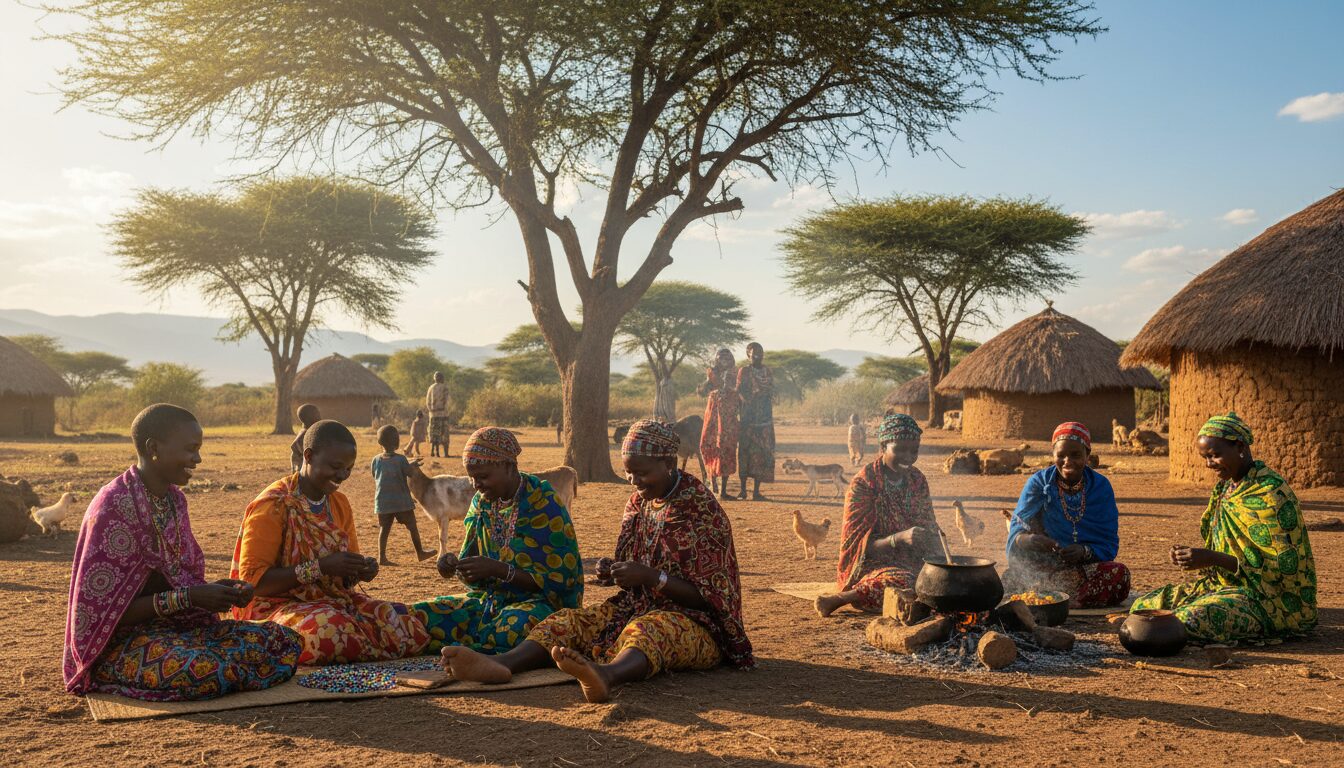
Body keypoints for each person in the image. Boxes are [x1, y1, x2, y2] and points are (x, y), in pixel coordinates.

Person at [437, 419, 753, 703]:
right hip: (634, 608)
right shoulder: (639, 503)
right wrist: (614, 571)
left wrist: (652, 578)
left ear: (669, 463)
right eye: (629, 473)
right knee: (567, 621)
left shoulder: (701, 512)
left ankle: (607, 674)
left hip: (697, 624)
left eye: (642, 473)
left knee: (650, 629)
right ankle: (502, 664)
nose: (634, 482)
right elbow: (633, 565)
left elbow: (712, 599)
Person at [63, 404, 301, 701]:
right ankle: (226, 674)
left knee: (284, 641)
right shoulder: (113, 507)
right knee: (207, 669)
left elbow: (181, 578)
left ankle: (229, 673)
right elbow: (101, 614)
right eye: (190, 449)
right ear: (154, 448)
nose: (197, 459)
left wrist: (216, 592)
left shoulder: (175, 500)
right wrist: (189, 597)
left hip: (179, 633)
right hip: (123, 643)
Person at [230, 420, 430, 664]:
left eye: (348, 469)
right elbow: (254, 583)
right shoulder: (274, 505)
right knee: (328, 631)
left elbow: (344, 574)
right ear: (309, 456)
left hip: (330, 602)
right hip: (273, 607)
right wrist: (321, 567)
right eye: (336, 467)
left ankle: (359, 643)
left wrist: (360, 570)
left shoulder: (339, 504)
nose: (342, 476)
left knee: (398, 618)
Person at [1131, 413, 1316, 644]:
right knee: (1143, 606)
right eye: (1205, 458)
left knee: (1188, 619)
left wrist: (1212, 558)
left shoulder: (1271, 493)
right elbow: (1224, 544)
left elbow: (1278, 570)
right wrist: (1191, 556)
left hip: (1268, 600)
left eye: (1215, 455)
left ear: (1239, 446)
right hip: (1222, 587)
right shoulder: (1225, 489)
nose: (1209, 464)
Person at [411, 427, 584, 654]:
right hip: (491, 601)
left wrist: (501, 570)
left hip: (538, 605)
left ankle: (483, 654)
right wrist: (454, 566)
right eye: (472, 478)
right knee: (423, 613)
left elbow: (561, 583)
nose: (476, 485)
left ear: (509, 467)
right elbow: (471, 564)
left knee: (518, 627)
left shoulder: (543, 503)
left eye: (483, 477)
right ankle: (476, 647)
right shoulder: (481, 504)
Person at [816, 413, 941, 617]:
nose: (908, 457)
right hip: (873, 565)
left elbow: (928, 523)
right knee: (904, 582)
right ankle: (843, 598)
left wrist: (936, 545)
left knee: (944, 577)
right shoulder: (864, 484)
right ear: (882, 447)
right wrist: (898, 538)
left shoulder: (917, 479)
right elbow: (857, 548)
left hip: (912, 559)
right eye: (900, 450)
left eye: (914, 451)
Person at [1002, 422, 1131, 608]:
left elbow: (1109, 543)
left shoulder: (1101, 487)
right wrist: (1028, 540)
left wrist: (1084, 551)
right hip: (1043, 566)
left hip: (1082, 570)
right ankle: (1058, 599)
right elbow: (1017, 530)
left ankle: (1055, 601)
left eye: (1076, 455)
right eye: (1060, 455)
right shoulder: (1039, 482)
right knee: (1010, 579)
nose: (1067, 461)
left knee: (1119, 575)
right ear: (1053, 455)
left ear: (1088, 455)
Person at [371, 425, 436, 566]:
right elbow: (410, 473)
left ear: (379, 442)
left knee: (384, 529)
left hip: (382, 502)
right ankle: (420, 552)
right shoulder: (401, 459)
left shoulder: (375, 460)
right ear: (397, 442)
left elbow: (375, 475)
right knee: (412, 526)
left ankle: (381, 557)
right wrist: (412, 465)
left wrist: (407, 464)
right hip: (401, 501)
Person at [697, 348, 740, 500]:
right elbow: (701, 392)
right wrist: (709, 382)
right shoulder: (712, 374)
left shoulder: (735, 374)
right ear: (716, 360)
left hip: (728, 417)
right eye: (721, 358)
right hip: (713, 416)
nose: (724, 361)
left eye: (727, 358)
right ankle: (712, 485)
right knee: (709, 445)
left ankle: (723, 491)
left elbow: (738, 394)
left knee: (726, 449)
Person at [736, 342, 776, 500]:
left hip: (765, 418)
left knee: (762, 452)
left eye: (760, 353)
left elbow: (772, 390)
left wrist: (765, 394)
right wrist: (748, 401)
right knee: (745, 452)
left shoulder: (767, 371)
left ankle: (756, 491)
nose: (758, 356)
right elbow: (738, 391)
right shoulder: (744, 371)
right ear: (748, 355)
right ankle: (743, 490)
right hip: (748, 418)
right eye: (754, 354)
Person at [290, 403, 321, 473]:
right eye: (317, 413)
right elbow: (297, 445)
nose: (319, 416)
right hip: (302, 469)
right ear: (310, 418)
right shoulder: (306, 434)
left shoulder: (309, 430)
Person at [426, 371, 450, 458]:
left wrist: (432, 410)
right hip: (443, 414)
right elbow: (447, 402)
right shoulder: (445, 388)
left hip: (433, 415)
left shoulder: (431, 388)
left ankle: (434, 452)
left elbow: (427, 402)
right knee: (444, 434)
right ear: (441, 378)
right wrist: (445, 410)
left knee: (434, 434)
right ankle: (445, 453)